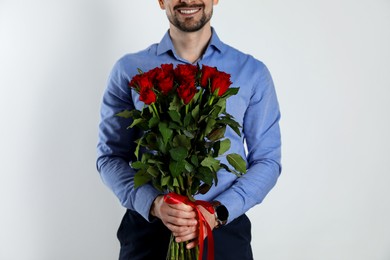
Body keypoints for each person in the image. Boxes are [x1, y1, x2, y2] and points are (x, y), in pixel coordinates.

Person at [96, 0, 281, 259]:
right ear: (161, 1)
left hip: (224, 235)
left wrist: (218, 211)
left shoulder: (252, 72)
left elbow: (267, 160)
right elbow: (110, 156)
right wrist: (154, 203)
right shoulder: (128, 70)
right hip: (149, 234)